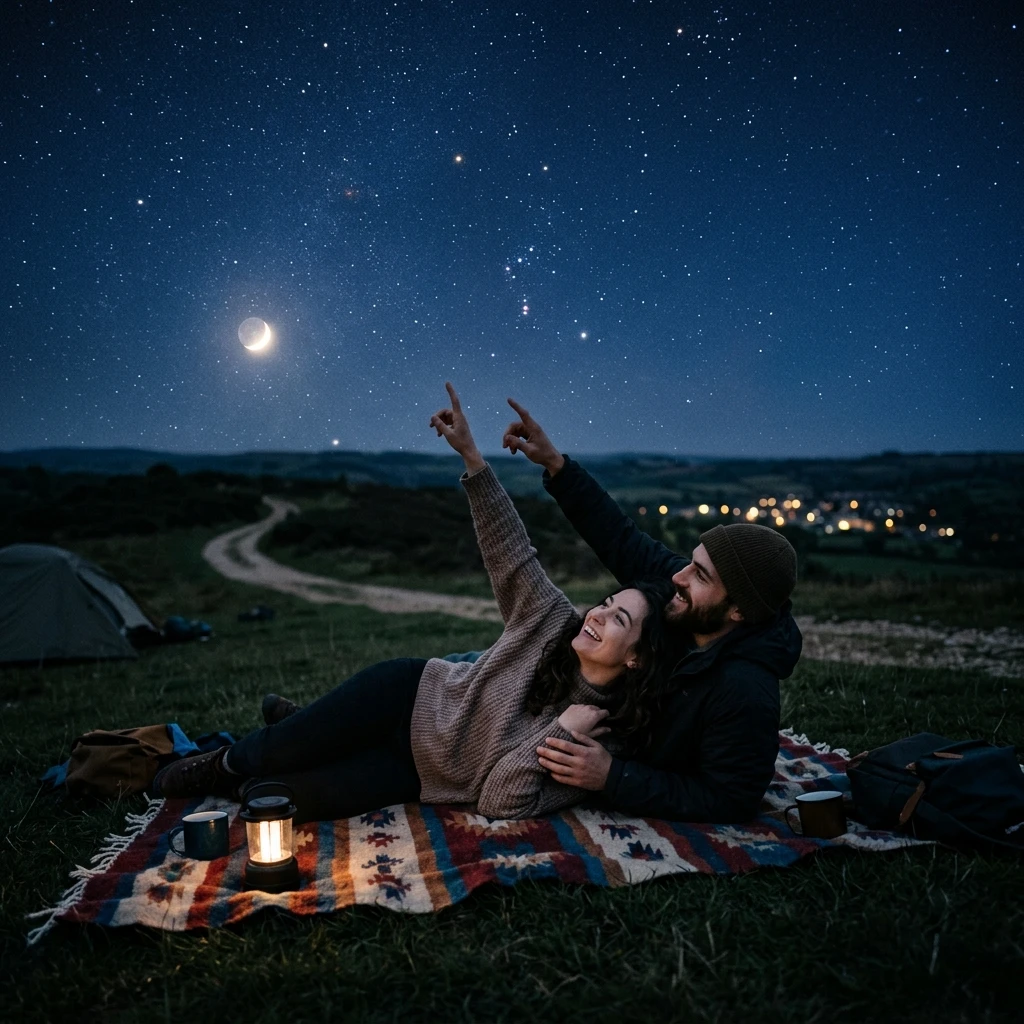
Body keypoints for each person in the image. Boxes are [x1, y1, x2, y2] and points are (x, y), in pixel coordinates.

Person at [154, 384, 673, 824]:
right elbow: (511, 552)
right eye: (606, 601)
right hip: (408, 698)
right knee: (263, 754)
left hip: (421, 775)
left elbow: (499, 800)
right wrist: (472, 456)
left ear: (637, 657)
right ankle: (211, 764)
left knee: (276, 800)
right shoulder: (553, 623)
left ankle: (309, 725)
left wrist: (562, 732)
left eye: (619, 617)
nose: (598, 613)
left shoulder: (600, 739)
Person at [497, 397, 802, 824]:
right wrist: (555, 464)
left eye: (700, 576)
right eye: (691, 563)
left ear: (737, 611)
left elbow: (730, 800)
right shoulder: (686, 600)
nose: (679, 577)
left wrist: (612, 777)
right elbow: (619, 537)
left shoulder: (745, 691)